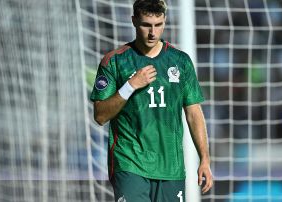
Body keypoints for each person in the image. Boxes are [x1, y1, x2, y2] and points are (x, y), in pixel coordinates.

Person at [90, 0, 213, 201]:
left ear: (164, 21)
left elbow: (193, 112)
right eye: (146, 25)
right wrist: (130, 86)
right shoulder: (114, 61)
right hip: (130, 163)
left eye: (158, 25)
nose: (152, 32)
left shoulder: (180, 61)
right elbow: (100, 116)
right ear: (133, 21)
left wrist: (205, 159)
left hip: (170, 167)